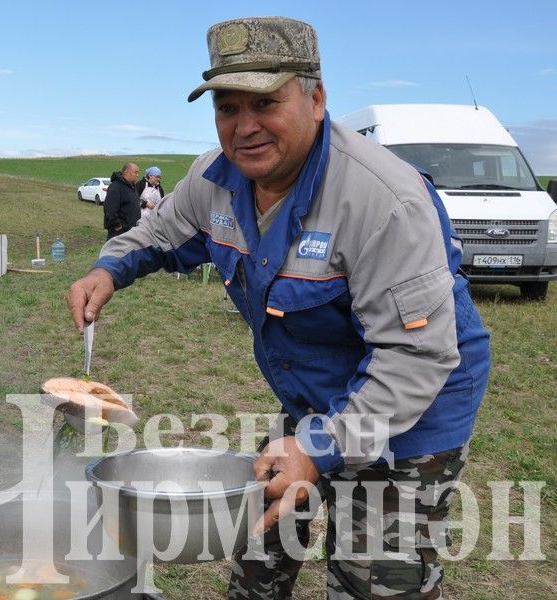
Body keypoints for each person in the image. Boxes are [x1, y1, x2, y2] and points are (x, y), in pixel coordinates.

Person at [67, 16, 490, 600]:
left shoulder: (382, 200)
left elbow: (415, 355)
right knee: (260, 540)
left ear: (315, 99)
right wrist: (107, 269)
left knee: (376, 576)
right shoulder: (214, 181)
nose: (244, 128)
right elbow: (159, 233)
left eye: (265, 102)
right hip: (315, 391)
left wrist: (319, 448)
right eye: (227, 108)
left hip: (412, 408)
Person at [102, 162, 140, 239]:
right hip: (119, 233)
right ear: (126, 172)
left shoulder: (132, 187)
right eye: (135, 172)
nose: (137, 175)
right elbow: (110, 209)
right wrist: (118, 225)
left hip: (132, 231)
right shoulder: (116, 187)